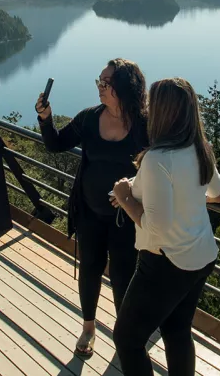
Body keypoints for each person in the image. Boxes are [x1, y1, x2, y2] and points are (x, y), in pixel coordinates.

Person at [105, 77, 220, 376]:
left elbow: (153, 226)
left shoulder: (158, 159)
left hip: (165, 260)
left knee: (127, 338)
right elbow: (217, 194)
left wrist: (124, 196)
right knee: (176, 332)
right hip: (200, 256)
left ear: (162, 112)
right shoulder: (198, 149)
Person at [36, 59, 148, 359]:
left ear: (125, 86)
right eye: (98, 81)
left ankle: (123, 333)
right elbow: (56, 144)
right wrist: (46, 119)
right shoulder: (88, 118)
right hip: (89, 212)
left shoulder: (144, 125)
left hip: (127, 218)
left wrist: (132, 190)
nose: (100, 87)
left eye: (106, 83)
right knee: (89, 270)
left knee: (124, 275)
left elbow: (158, 168)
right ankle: (88, 327)